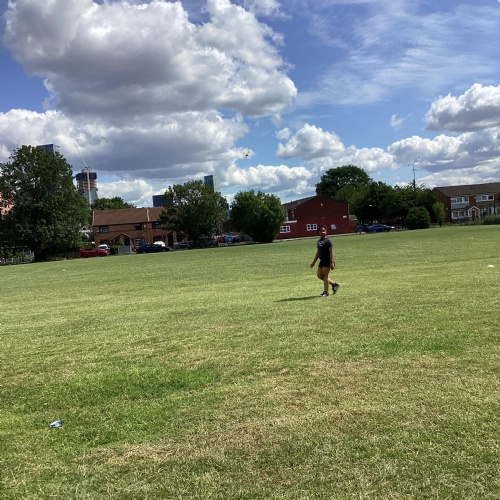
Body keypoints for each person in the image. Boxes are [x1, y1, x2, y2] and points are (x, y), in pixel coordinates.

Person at [310, 224, 340, 297]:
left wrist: (332, 262)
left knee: (325, 275)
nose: (322, 232)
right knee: (319, 275)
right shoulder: (318, 242)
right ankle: (334, 284)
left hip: (327, 260)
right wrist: (313, 262)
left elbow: (331, 252)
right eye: (321, 231)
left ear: (326, 232)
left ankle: (326, 292)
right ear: (319, 232)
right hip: (322, 260)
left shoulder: (328, 241)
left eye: (324, 231)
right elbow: (318, 253)